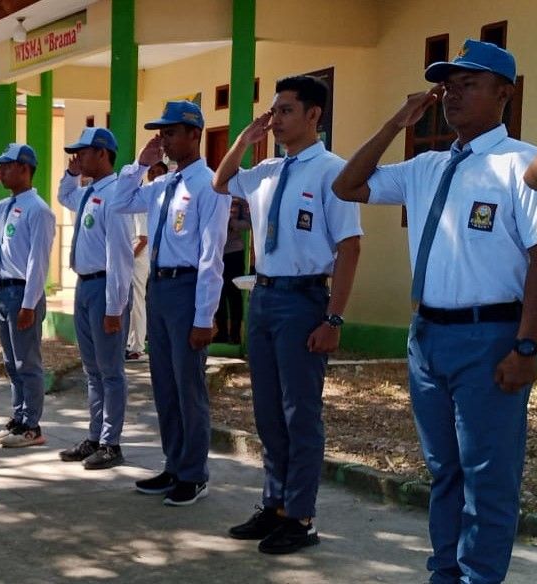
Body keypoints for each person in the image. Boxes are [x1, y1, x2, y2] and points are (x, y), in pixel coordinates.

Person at [332, 40, 537, 583]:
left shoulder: (525, 165)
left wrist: (527, 346)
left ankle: (479, 576)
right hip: (428, 337)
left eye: (469, 83)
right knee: (444, 471)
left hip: (490, 337)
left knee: (488, 475)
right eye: (448, 84)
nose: (452, 93)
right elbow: (346, 185)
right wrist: (397, 121)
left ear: (504, 93)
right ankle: (446, 572)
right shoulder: (426, 166)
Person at [214, 75, 363, 554]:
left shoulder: (333, 172)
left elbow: (350, 247)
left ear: (314, 115)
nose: (275, 119)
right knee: (268, 412)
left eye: (285, 111)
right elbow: (221, 182)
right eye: (273, 111)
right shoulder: (269, 170)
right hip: (265, 296)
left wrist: (333, 320)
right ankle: (274, 504)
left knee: (301, 413)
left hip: (304, 301)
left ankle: (301, 517)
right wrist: (243, 139)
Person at [109, 100, 230, 506]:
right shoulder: (162, 185)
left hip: (187, 288)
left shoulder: (208, 185)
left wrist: (204, 315)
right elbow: (120, 202)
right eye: (161, 133)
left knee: (188, 385)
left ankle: (194, 474)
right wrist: (139, 165)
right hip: (159, 288)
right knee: (163, 384)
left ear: (195, 134)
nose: (164, 139)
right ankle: (174, 464)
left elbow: (212, 255)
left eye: (171, 132)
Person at [56, 128, 134, 469]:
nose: (77, 158)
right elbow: (63, 195)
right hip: (85, 286)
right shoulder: (89, 192)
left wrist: (115, 307)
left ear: (102, 153)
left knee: (110, 371)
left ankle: (111, 443)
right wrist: (71, 174)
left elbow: (120, 256)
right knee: (92, 370)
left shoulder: (117, 194)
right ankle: (95, 436)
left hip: (105, 287)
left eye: (83, 153)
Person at [0, 143, 55, 448]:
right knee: (11, 361)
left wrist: (30, 304)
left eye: (7, 166)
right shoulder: (7, 205)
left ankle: (32, 425)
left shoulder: (38, 210)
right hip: (3, 289)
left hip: (22, 292)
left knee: (27, 362)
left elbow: (38, 262)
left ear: (24, 168)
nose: (1, 171)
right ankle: (19, 417)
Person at [126, 161, 166, 360]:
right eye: (152, 171)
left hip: (138, 257)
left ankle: (137, 346)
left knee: (136, 302)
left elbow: (143, 239)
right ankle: (132, 343)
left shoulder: (146, 201)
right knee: (133, 302)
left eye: (159, 171)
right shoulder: (149, 196)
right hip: (140, 256)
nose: (155, 174)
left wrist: (126, 258)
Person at [213, 198, 251, 344]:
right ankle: (221, 332)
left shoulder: (240, 201)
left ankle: (235, 334)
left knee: (234, 294)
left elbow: (248, 224)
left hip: (234, 252)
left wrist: (230, 223)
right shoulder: (214, 195)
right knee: (218, 294)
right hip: (216, 252)